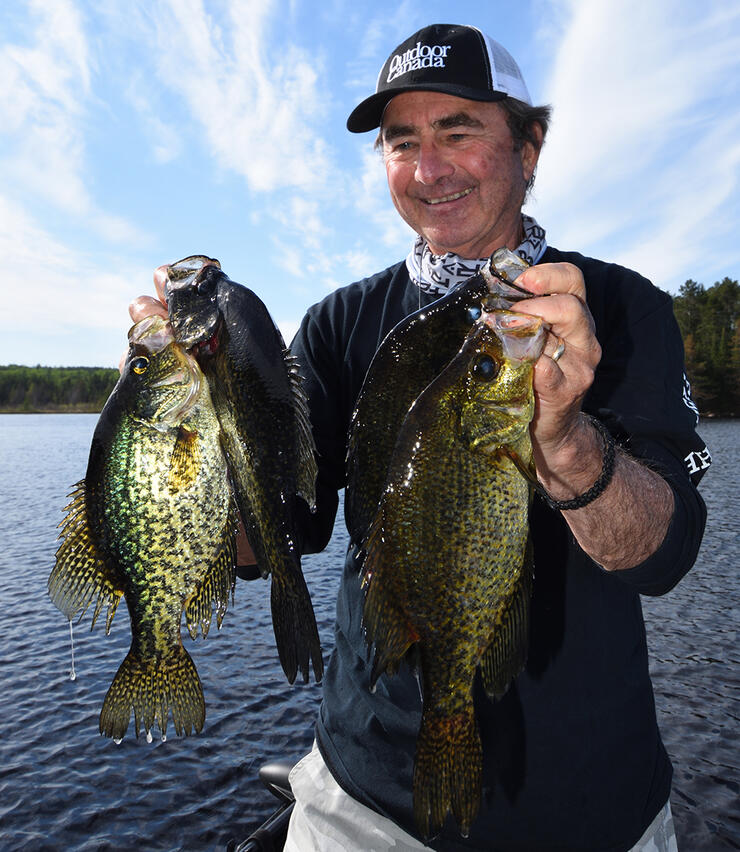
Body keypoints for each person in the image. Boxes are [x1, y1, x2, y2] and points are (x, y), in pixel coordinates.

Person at [131, 23, 710, 852]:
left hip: (590, 809)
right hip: (361, 798)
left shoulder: (621, 309)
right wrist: (201, 410)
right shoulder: (338, 324)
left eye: (460, 132)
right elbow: (267, 542)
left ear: (530, 146)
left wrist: (569, 439)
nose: (429, 168)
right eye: (403, 143)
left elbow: (664, 554)